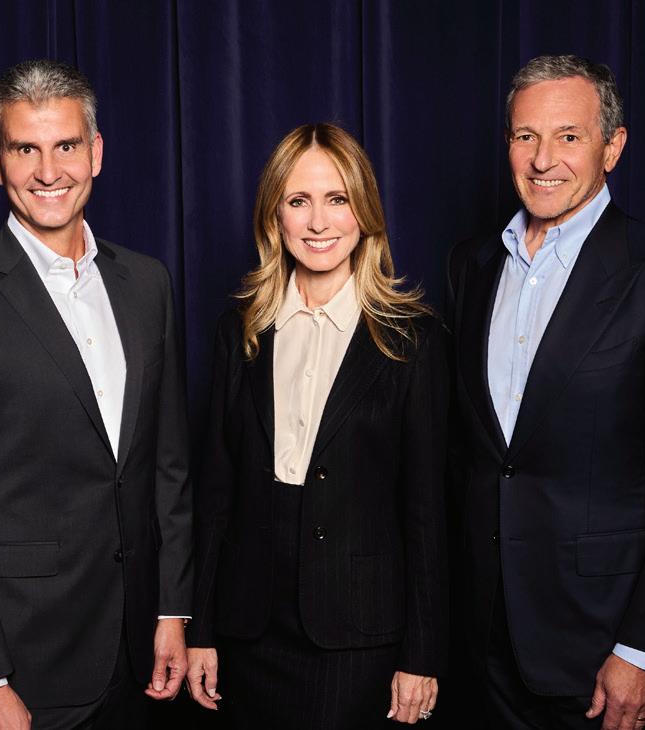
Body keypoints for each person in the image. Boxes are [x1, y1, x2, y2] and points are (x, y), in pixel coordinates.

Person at [0, 59, 193, 730]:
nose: (48, 170)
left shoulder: (148, 284)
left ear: (96, 153)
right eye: (25, 149)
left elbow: (167, 466)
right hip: (26, 666)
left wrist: (173, 609)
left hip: (140, 653)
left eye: (65, 146)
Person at [446, 55, 645, 730]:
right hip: (478, 639)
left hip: (599, 645)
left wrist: (643, 650)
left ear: (612, 146)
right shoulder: (471, 264)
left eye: (568, 136)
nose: (543, 159)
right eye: (525, 136)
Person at [185, 122, 450, 728]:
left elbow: (427, 510)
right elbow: (216, 493)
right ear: (274, 215)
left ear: (364, 211)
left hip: (358, 636)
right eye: (299, 201)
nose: (319, 222)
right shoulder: (239, 331)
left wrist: (422, 653)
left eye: (337, 199)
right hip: (249, 628)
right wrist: (201, 628)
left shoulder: (413, 340)